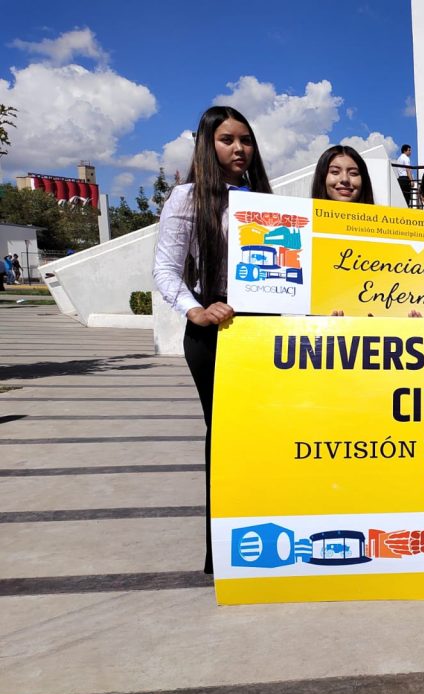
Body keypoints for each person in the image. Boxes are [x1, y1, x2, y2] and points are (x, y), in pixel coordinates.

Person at [153, 106, 272, 575]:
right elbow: (165, 269)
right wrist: (196, 310)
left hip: (263, 331)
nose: (239, 148)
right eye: (227, 140)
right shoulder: (186, 198)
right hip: (214, 332)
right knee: (224, 439)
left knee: (265, 436)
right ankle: (223, 554)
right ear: (207, 144)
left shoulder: (265, 200)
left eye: (246, 139)